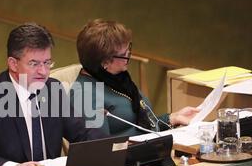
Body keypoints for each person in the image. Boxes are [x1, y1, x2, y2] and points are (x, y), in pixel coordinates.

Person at [0, 23, 106, 166]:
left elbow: (82, 132)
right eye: (34, 64)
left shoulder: (52, 88)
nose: (43, 71)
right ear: (13, 64)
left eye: (47, 63)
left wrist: (116, 146)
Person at [70, 19, 199, 137]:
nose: (129, 57)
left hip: (146, 151)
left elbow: (143, 126)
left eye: (128, 50)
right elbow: (102, 152)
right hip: (128, 160)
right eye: (123, 55)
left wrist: (173, 118)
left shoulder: (119, 79)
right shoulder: (84, 96)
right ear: (105, 63)